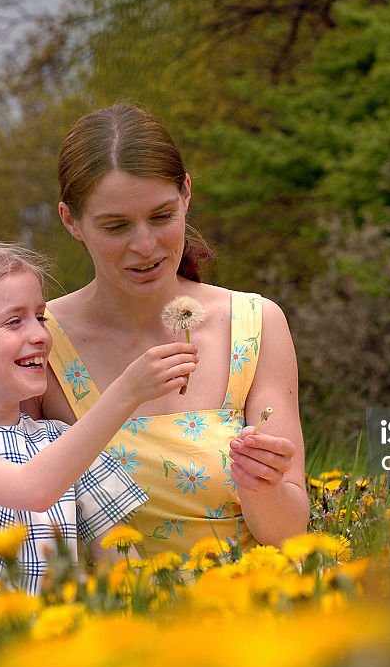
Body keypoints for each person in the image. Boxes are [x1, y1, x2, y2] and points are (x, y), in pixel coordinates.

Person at [23, 103, 309, 558]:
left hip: (246, 610)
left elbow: (291, 536)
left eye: (161, 217)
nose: (144, 246)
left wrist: (263, 486)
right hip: (103, 620)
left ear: (187, 194)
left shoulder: (255, 324)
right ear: (70, 221)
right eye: (115, 226)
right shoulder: (37, 342)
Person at [0, 241, 198, 593]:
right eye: (14, 321)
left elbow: (123, 569)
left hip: (53, 645)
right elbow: (31, 489)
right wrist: (125, 393)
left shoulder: (58, 441)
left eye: (41, 317)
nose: (39, 335)